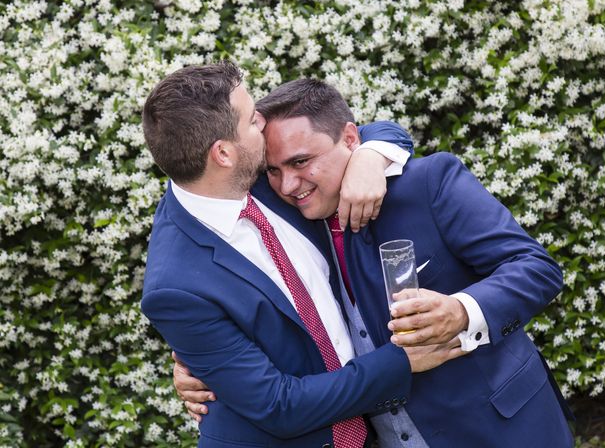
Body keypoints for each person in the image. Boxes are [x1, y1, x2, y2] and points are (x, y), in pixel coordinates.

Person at [177, 78, 575, 447]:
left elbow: (535, 267)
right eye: (274, 171)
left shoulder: (429, 183)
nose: (288, 185)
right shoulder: (288, 216)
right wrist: (200, 356)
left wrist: (462, 310)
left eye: (301, 162)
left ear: (351, 138)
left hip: (504, 428)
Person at [140, 62, 466, 448]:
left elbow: (355, 130)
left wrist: (368, 157)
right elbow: (280, 407)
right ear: (223, 153)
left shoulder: (261, 176)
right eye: (250, 120)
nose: (262, 120)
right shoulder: (174, 286)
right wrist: (405, 360)